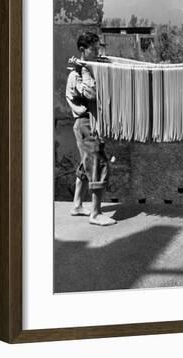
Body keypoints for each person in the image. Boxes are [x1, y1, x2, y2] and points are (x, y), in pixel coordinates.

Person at [65, 31, 116, 226]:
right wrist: (84, 69)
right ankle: (96, 213)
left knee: (87, 163)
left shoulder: (87, 67)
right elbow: (92, 93)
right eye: (93, 49)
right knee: (98, 163)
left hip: (89, 122)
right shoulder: (77, 74)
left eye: (98, 48)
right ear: (82, 50)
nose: (97, 52)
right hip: (85, 122)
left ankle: (77, 205)